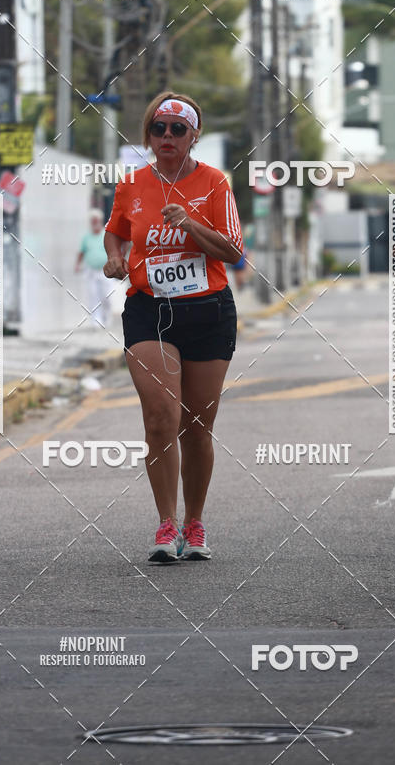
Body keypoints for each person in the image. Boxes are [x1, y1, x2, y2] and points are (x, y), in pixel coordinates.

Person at [103, 92, 243, 563]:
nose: (167, 136)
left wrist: (188, 225)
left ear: (193, 136)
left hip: (207, 311)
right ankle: (166, 525)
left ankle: (194, 523)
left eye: (177, 129)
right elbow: (116, 228)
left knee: (197, 425)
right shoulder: (132, 184)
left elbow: (232, 252)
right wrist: (115, 256)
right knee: (161, 417)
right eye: (159, 128)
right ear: (149, 134)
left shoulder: (214, 183)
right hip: (150, 311)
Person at [75, 211, 111, 328]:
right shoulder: (87, 237)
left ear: (100, 221)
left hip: (105, 270)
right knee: (93, 295)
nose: (95, 223)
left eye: (96, 220)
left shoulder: (106, 235)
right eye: (93, 221)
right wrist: (77, 264)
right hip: (91, 270)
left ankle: (106, 317)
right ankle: (96, 321)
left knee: (106, 296)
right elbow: (82, 252)